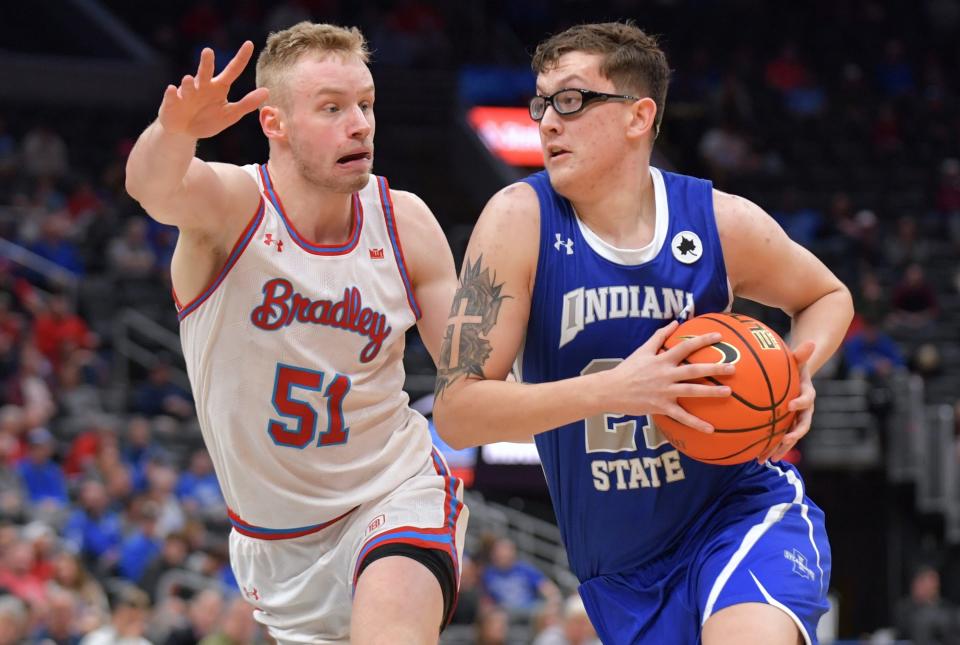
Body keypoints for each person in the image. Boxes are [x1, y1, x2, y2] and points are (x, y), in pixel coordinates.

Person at [433, 22, 853, 645]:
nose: (548, 120)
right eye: (541, 102)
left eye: (571, 100)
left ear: (638, 116)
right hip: (619, 571)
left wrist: (792, 373)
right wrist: (618, 390)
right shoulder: (519, 219)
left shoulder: (716, 220)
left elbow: (827, 295)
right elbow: (457, 413)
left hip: (737, 512)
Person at [124, 21, 467, 644]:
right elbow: (153, 186)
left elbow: (474, 379)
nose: (359, 124)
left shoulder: (406, 221)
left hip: (395, 494)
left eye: (365, 105)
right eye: (332, 108)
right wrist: (174, 132)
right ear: (274, 123)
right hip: (276, 546)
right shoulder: (233, 207)